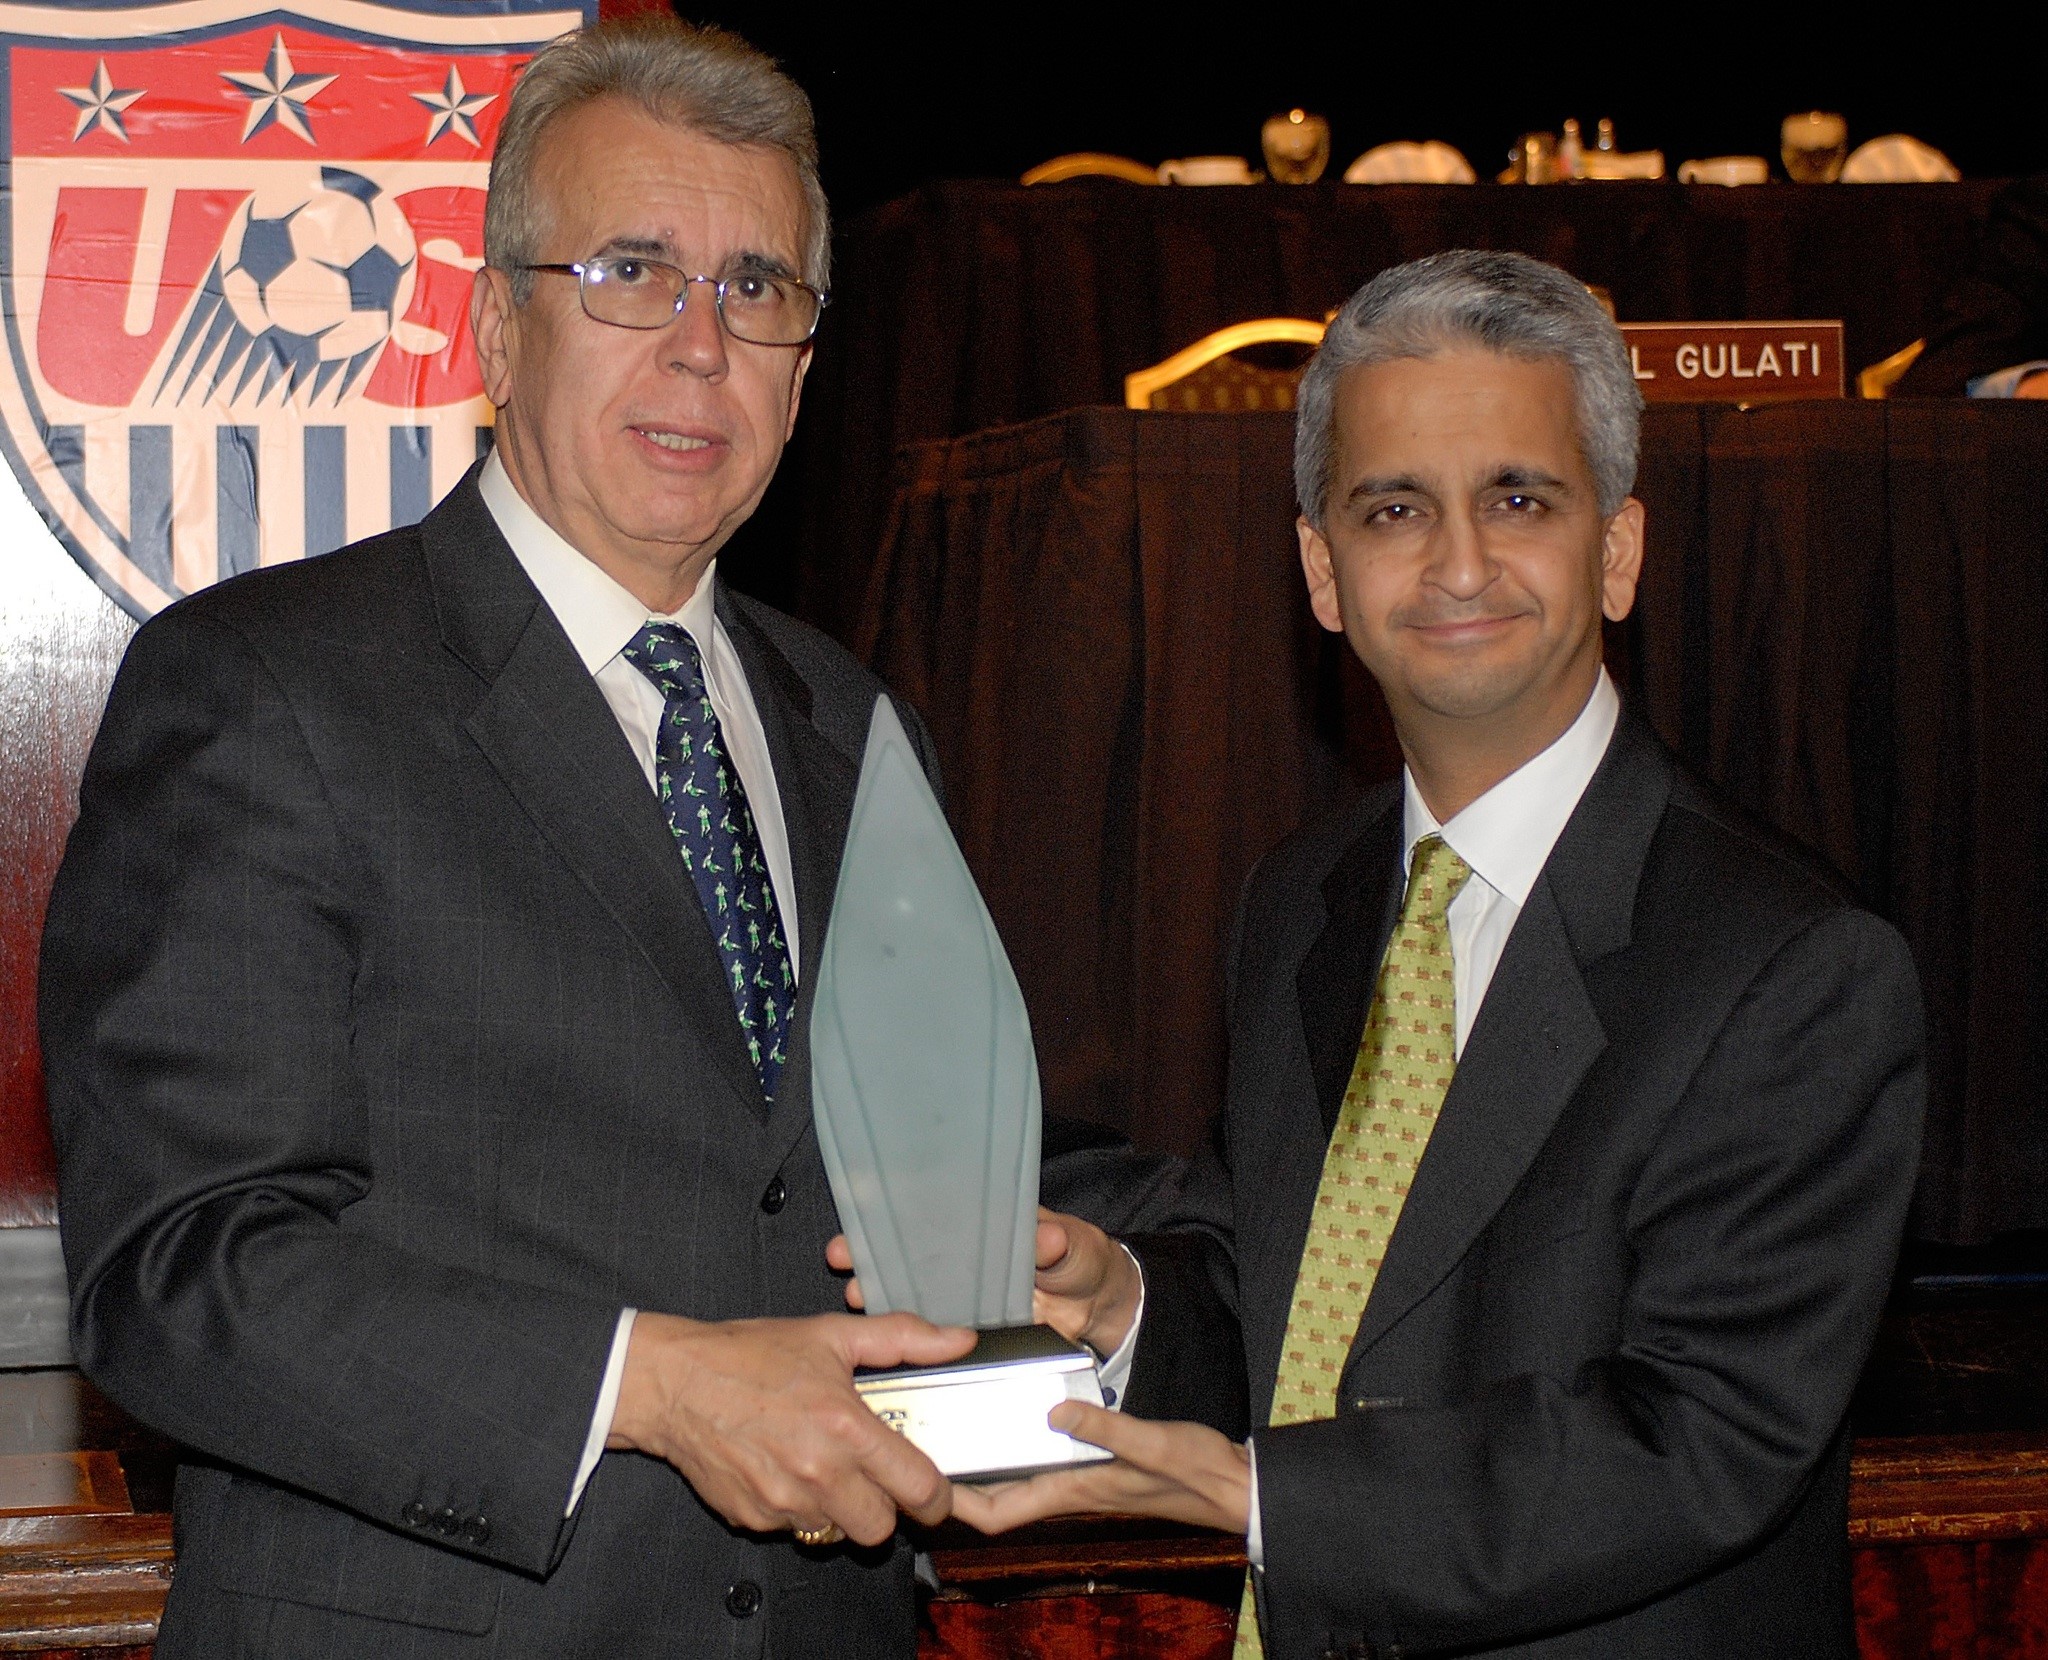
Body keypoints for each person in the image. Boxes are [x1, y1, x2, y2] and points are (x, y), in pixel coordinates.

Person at [39, 17, 1182, 1657]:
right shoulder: (265, 690)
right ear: (498, 329)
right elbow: (180, 1272)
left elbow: (949, 1167)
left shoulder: (856, 724)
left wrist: (1109, 1291)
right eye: (631, 274)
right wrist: (648, 1385)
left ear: (805, 366)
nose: (701, 346)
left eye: (757, 289)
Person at [953, 251, 1928, 1659]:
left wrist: (1269, 1501)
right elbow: (1306, 1309)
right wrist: (1129, 1303)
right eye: (1395, 509)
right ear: (1322, 571)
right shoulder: (1304, 899)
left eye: (1518, 499)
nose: (1458, 563)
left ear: (1619, 550)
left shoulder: (1796, 969)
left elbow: (1703, 1435)